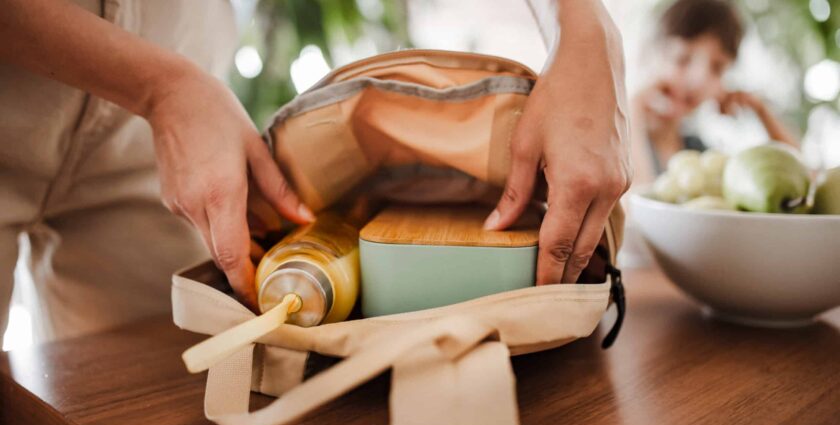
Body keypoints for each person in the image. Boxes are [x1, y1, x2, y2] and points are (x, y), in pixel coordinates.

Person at [0, 0, 629, 340]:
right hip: (152, 90)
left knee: (133, 402)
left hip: (167, 101)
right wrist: (158, 89)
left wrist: (588, 29)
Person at [629, 0, 797, 185]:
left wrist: (760, 110)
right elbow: (634, 204)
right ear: (647, 54)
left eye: (717, 68)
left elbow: (803, 182)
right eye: (682, 58)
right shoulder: (614, 139)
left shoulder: (699, 155)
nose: (699, 80)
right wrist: (633, 108)